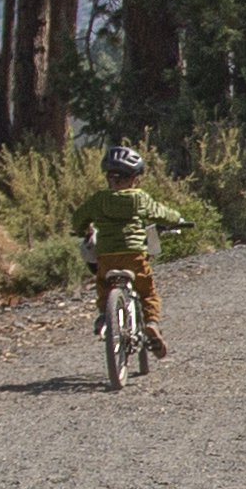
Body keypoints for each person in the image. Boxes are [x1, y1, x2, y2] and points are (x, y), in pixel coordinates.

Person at [77, 143, 198, 364]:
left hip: (106, 256)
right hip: (134, 255)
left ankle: (105, 315)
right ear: (134, 179)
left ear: (108, 177)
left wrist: (79, 230)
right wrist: (178, 219)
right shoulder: (138, 198)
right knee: (147, 292)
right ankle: (151, 323)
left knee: (104, 284)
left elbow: (78, 219)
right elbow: (160, 213)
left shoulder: (98, 200)